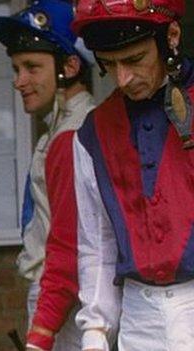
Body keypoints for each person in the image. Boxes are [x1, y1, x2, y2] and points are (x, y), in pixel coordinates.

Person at [71, 1, 192, 350]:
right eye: (109, 64)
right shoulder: (93, 132)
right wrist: (95, 330)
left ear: (170, 35)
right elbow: (97, 241)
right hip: (138, 316)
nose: (122, 79)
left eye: (135, 60)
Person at [0, 1, 95, 350]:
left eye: (32, 67)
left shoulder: (74, 135)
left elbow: (70, 245)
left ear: (70, 65)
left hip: (65, 300)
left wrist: (41, 333)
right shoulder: (61, 129)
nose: (19, 81)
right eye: (16, 68)